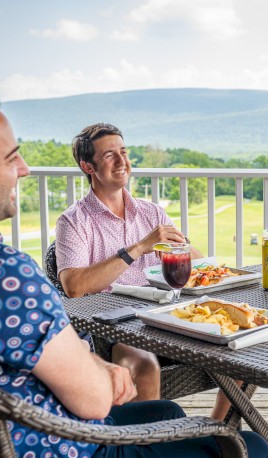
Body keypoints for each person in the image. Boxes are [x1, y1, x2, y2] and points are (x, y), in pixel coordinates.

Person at [0, 79, 268, 458]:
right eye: (11, 158)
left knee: (167, 410)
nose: (24, 169)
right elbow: (74, 295)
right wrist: (98, 369)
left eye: (124, 152)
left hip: (22, 438)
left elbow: (195, 262)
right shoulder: (8, 273)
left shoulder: (149, 211)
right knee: (255, 450)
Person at [55, 122, 202, 402]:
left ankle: (221, 429)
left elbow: (201, 265)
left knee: (237, 346)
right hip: (114, 326)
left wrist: (181, 249)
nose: (122, 161)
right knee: (143, 365)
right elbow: (74, 286)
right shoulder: (73, 221)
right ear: (88, 167)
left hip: (167, 316)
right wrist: (139, 247)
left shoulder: (151, 213)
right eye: (110, 155)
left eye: (123, 152)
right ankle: (145, 443)